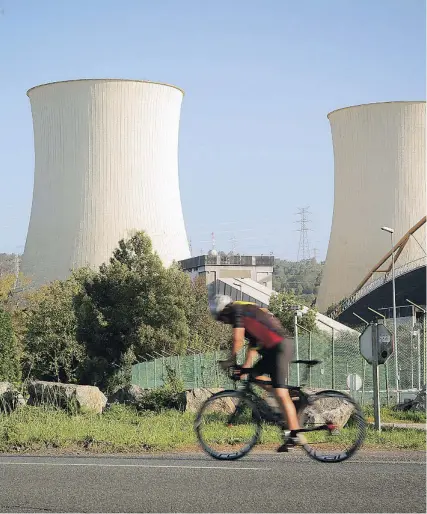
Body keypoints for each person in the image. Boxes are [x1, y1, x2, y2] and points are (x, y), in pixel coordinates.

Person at [209, 294, 301, 452]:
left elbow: (237, 340)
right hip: (272, 349)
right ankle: (287, 397)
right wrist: (245, 367)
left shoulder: (237, 310)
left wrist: (230, 361)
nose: (223, 322)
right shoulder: (245, 312)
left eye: (221, 318)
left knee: (280, 393)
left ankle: (294, 436)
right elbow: (253, 345)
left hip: (280, 348)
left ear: (224, 310)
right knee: (254, 376)